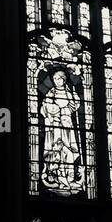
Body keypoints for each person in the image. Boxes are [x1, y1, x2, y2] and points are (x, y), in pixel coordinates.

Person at [40, 67, 84, 195]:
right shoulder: (51, 93)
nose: (59, 80)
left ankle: (70, 175)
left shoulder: (70, 93)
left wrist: (73, 102)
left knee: (69, 150)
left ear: (65, 80)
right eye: (56, 78)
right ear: (53, 80)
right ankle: (55, 174)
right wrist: (53, 109)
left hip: (67, 125)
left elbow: (75, 106)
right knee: (56, 149)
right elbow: (44, 109)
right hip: (55, 127)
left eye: (62, 78)